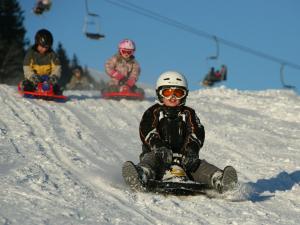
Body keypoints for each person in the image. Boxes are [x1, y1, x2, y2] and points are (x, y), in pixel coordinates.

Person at [122, 71, 237, 193]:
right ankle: (141, 175)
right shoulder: (153, 112)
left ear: (184, 95)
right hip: (158, 154)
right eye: (167, 92)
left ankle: (219, 180)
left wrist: (191, 150)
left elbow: (196, 131)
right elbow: (146, 129)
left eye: (178, 93)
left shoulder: (188, 113)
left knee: (199, 166)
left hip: (184, 158)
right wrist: (158, 145)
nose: (172, 97)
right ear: (159, 95)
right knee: (151, 160)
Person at [22, 29, 62, 95]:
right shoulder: (31, 54)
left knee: (56, 88)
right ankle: (29, 88)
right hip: (34, 79)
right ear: (37, 43)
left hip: (47, 79)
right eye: (42, 46)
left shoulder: (52, 55)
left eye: (47, 47)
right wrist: (32, 76)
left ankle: (53, 90)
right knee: (28, 85)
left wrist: (54, 77)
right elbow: (27, 68)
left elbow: (57, 68)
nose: (44, 49)